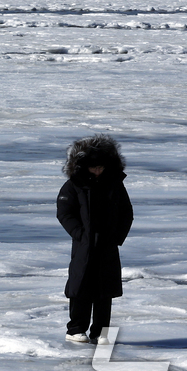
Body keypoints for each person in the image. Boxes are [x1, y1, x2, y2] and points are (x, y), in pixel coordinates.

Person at [56, 134, 133, 344]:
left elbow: (127, 212)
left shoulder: (115, 185)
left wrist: (117, 237)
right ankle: (75, 329)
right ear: (83, 166)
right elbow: (64, 212)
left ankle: (100, 332)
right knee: (80, 286)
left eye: (101, 167)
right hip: (84, 245)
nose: (98, 171)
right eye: (93, 167)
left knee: (104, 290)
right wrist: (79, 234)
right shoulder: (74, 186)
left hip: (107, 245)